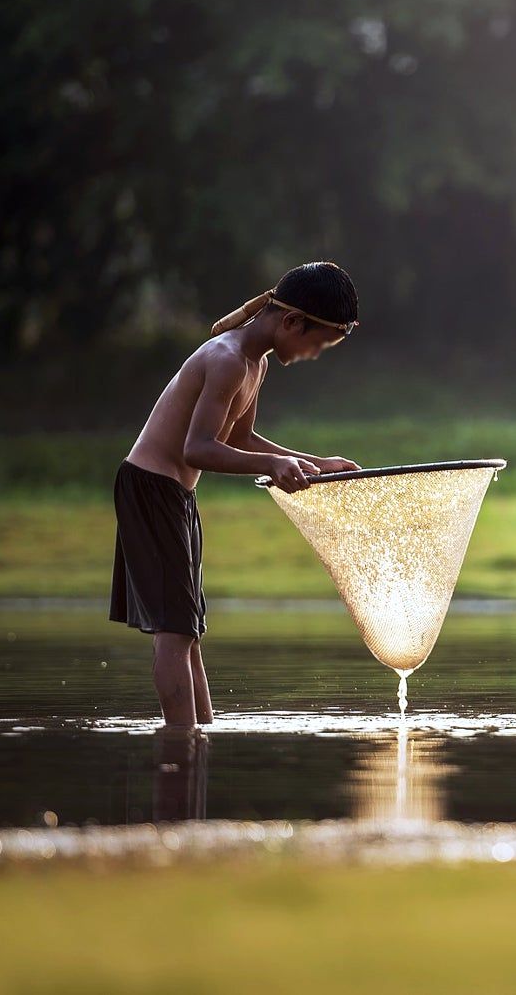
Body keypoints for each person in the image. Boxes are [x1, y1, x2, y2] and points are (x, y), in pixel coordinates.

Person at [110, 262, 361, 727]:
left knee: (189, 629)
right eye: (317, 343)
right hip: (151, 489)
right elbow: (198, 447)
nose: (314, 354)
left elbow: (241, 439)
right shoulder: (226, 358)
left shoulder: (255, 363)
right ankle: (181, 747)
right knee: (174, 631)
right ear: (291, 322)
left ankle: (201, 736)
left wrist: (315, 462)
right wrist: (272, 466)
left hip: (177, 495)